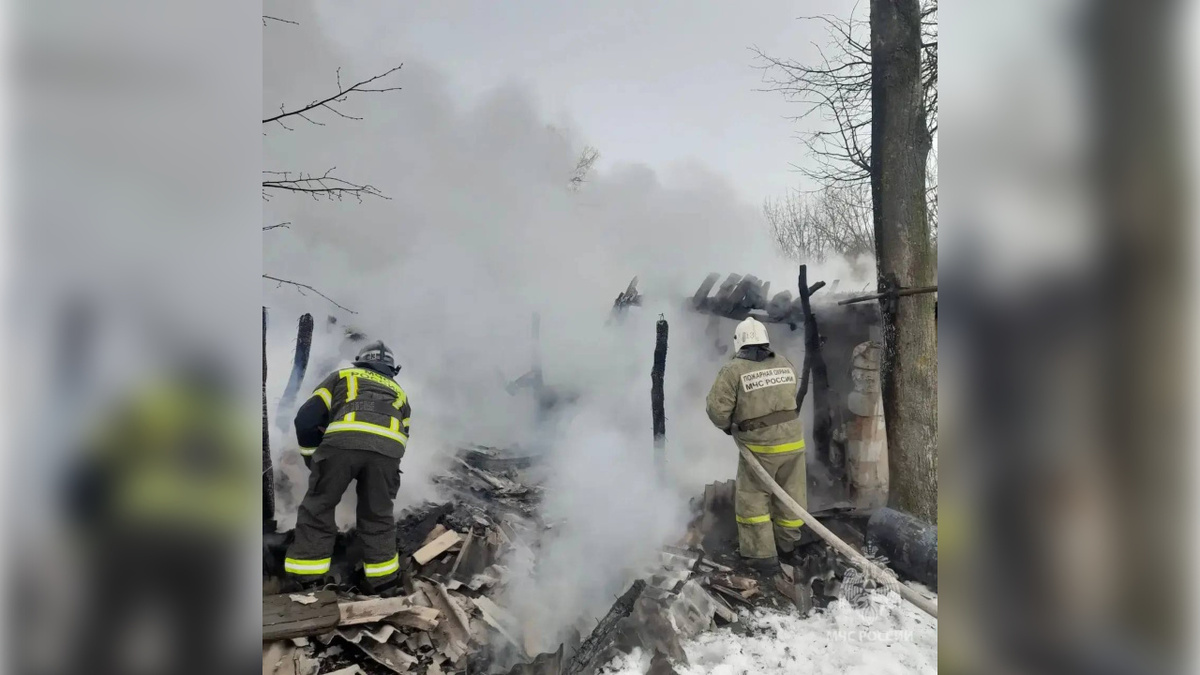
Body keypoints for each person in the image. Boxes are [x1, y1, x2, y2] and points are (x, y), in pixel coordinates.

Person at [284, 340, 412, 594]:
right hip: (388, 453)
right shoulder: (399, 392)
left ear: (361, 361)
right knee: (378, 514)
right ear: (390, 369)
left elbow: (306, 420)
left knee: (318, 507)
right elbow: (403, 432)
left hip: (341, 445)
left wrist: (313, 458)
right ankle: (383, 582)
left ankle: (308, 581)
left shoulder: (342, 376)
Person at [705, 317, 808, 573]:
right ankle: (788, 547)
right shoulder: (784, 363)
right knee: (791, 496)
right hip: (794, 443)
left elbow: (717, 411)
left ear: (739, 343)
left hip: (762, 449)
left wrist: (730, 426)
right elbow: (788, 395)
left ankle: (762, 557)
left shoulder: (733, 370)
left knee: (753, 500)